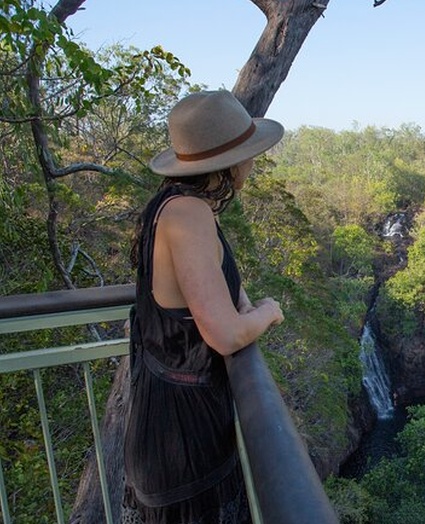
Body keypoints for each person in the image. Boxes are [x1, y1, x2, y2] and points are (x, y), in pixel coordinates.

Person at [122, 90, 285, 523]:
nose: (253, 162)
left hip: (168, 417)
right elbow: (226, 334)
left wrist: (241, 302)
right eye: (249, 154)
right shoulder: (190, 214)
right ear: (228, 163)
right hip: (184, 436)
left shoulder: (169, 208)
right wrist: (267, 311)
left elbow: (207, 294)